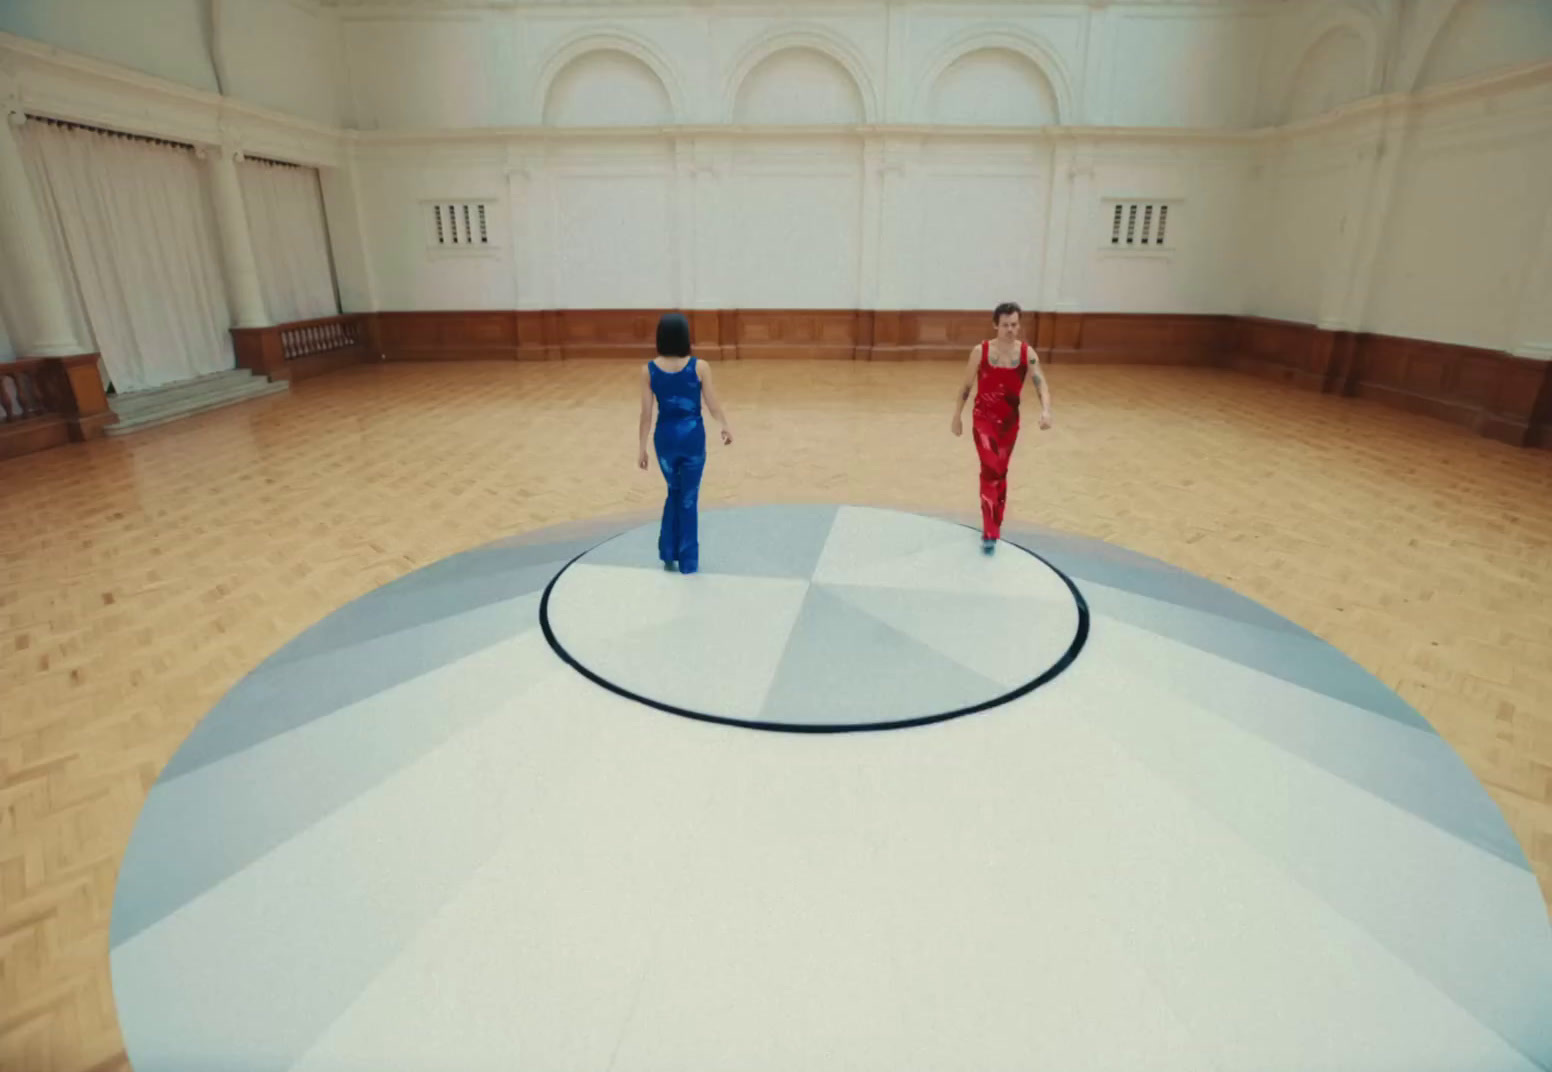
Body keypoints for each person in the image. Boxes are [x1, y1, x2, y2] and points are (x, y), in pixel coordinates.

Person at [950, 302, 1052, 553]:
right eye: (1005, 325)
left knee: (1000, 471)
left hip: (1009, 423)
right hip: (983, 419)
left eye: (1014, 325)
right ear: (996, 325)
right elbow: (965, 386)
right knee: (990, 469)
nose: (1010, 329)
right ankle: (989, 531)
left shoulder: (1027, 354)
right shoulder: (980, 351)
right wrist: (957, 416)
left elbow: (1041, 384)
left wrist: (1046, 410)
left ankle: (995, 522)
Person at [638, 312, 733, 574]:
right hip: (692, 438)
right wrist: (724, 424)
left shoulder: (649, 370)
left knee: (674, 492)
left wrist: (641, 447)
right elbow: (711, 403)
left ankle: (668, 551)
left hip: (665, 439)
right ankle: (688, 562)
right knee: (689, 498)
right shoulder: (700, 367)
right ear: (684, 337)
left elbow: (646, 415)